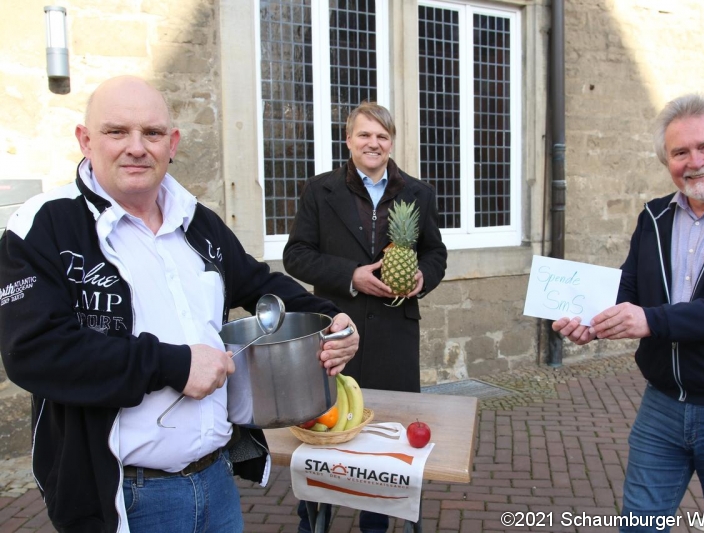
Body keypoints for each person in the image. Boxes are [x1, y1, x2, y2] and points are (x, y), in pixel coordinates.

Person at [0, 75, 360, 533]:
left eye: (151, 133)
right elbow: (34, 352)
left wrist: (331, 319)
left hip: (216, 483)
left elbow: (260, 284)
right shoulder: (44, 224)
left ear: (171, 143)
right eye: (116, 132)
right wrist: (172, 365)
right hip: (124, 498)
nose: (136, 147)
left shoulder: (197, 222)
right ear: (85, 141)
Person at [553, 93, 704, 532]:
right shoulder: (654, 216)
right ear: (667, 160)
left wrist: (653, 320)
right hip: (663, 403)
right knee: (640, 524)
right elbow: (628, 289)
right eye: (680, 152)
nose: (696, 161)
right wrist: (591, 320)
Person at [283, 101, 447, 533]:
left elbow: (436, 253)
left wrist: (421, 277)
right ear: (349, 140)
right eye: (364, 135)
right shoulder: (320, 190)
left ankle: (376, 524)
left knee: (386, 443)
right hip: (336, 333)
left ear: (391, 142)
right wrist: (350, 275)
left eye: (382, 136)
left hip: (395, 336)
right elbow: (295, 256)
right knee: (326, 434)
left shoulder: (418, 193)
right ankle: (314, 520)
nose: (373, 143)